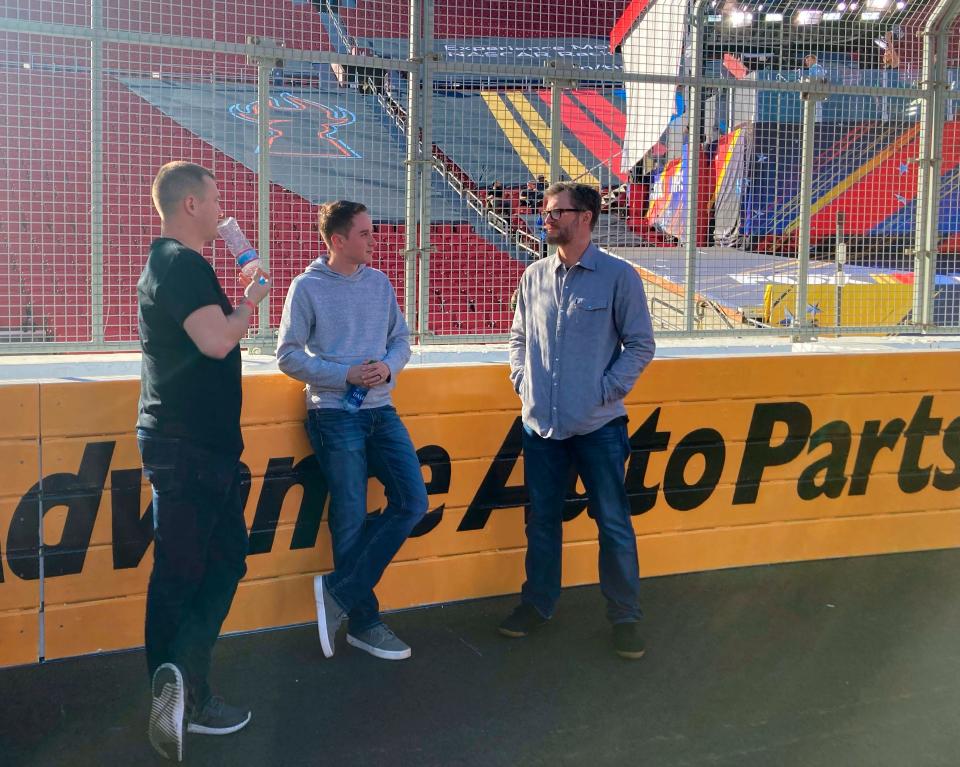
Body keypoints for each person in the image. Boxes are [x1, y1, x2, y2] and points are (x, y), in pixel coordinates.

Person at [137, 161, 270, 762]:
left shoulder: (181, 264)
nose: (223, 211)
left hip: (205, 446)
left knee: (223, 561)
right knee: (183, 572)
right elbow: (217, 340)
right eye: (215, 200)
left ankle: (186, 682)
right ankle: (177, 691)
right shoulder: (178, 262)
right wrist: (250, 306)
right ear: (190, 204)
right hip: (186, 446)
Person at [501, 182, 655, 659]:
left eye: (555, 213)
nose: (545, 220)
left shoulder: (619, 277)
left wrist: (603, 392)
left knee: (612, 523)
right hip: (541, 429)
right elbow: (518, 339)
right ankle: (538, 604)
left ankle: (625, 617)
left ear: (585, 217)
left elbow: (640, 346)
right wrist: (522, 381)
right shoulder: (534, 276)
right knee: (542, 522)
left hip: (598, 429)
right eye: (545, 212)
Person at [276, 200, 427, 662]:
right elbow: (287, 355)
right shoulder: (306, 288)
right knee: (348, 518)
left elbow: (401, 339)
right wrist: (346, 375)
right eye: (364, 233)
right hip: (334, 415)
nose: (373, 240)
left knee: (413, 501)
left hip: (382, 411)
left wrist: (386, 366)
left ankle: (339, 592)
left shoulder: (379, 284)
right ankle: (364, 621)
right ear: (338, 241)